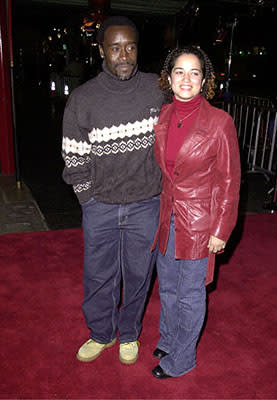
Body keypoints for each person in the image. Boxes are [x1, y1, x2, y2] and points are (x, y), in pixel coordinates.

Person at [62, 16, 164, 365]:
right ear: (102, 50)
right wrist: (88, 198)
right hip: (100, 206)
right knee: (98, 275)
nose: (124, 55)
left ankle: (130, 334)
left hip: (146, 204)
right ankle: (101, 334)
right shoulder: (82, 98)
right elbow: (73, 155)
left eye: (131, 47)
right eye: (115, 47)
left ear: (138, 49)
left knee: (138, 276)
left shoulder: (157, 89)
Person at [151, 46, 241, 379]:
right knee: (167, 288)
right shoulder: (163, 115)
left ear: (205, 80)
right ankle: (170, 339)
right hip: (168, 216)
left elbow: (230, 182)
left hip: (201, 222)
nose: (186, 79)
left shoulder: (220, 122)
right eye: (179, 71)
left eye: (194, 72)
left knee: (189, 293)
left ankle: (182, 359)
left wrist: (221, 229)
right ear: (169, 76)